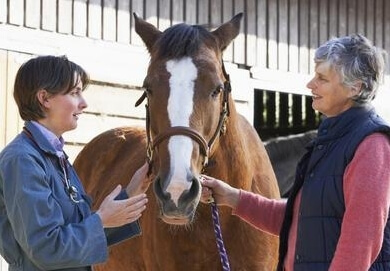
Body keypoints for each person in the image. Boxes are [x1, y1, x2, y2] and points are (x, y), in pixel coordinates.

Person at [201, 34, 390, 270]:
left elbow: (361, 243)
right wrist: (232, 197)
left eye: (322, 78)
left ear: (355, 87)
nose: (311, 84)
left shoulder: (371, 146)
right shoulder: (330, 141)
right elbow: (300, 217)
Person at [0, 55, 151, 270]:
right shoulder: (22, 159)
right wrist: (101, 219)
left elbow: (75, 233)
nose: (84, 103)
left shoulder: (53, 154)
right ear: (44, 98)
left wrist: (133, 191)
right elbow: (47, 248)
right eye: (74, 92)